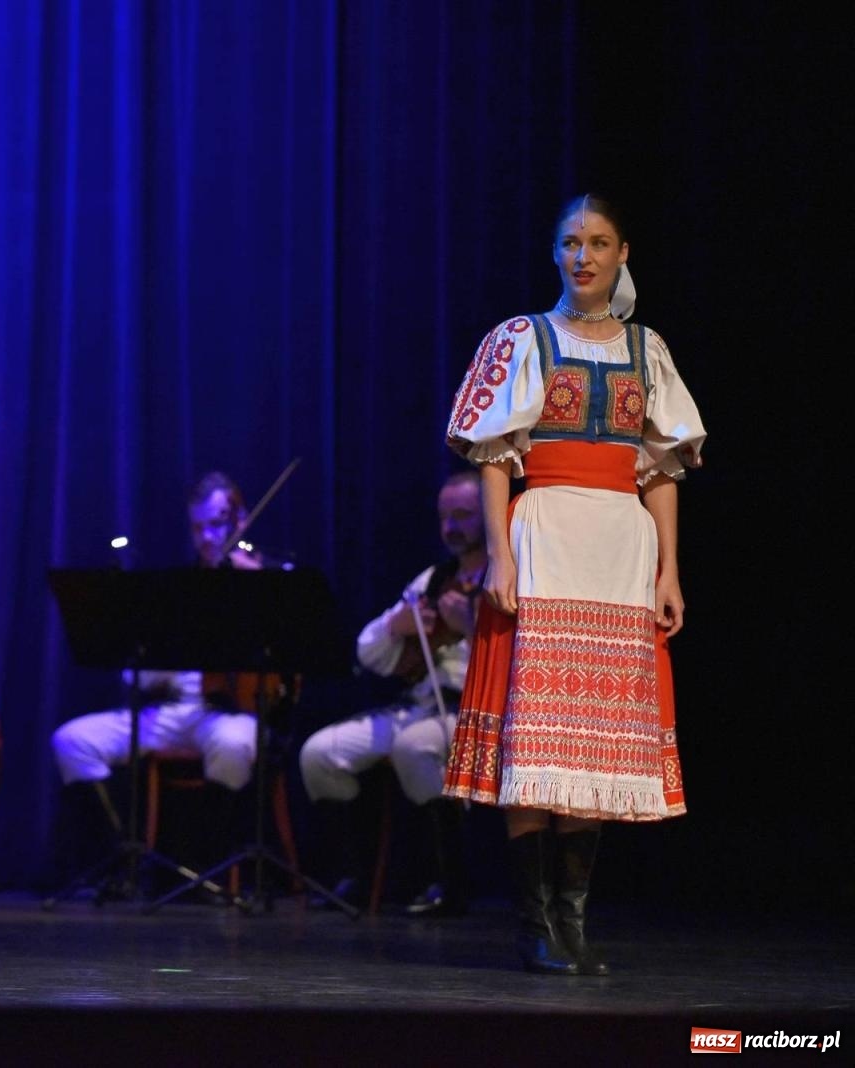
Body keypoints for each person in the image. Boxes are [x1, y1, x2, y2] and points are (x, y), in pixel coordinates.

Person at [442, 194, 705, 975]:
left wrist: (669, 568)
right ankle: (535, 926)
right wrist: (500, 554)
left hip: (618, 545)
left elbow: (661, 469)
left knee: (594, 737)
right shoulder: (523, 338)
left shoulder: (647, 349)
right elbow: (496, 457)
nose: (583, 256)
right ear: (555, 253)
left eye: (598, 242)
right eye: (570, 242)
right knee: (536, 730)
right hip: (546, 533)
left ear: (623, 253)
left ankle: (574, 924)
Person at [49, 472, 261, 878]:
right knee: (72, 741)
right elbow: (138, 678)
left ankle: (210, 870)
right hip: (169, 712)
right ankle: (127, 860)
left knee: (234, 745)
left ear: (241, 521)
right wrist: (155, 656)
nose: (208, 537)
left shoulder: (263, 581)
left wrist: (253, 591)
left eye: (217, 524)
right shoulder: (178, 588)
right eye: (198, 527)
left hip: (227, 713)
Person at [296, 469, 484, 915]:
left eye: (463, 515)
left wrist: (471, 627)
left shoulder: (505, 577)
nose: (451, 527)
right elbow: (369, 652)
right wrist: (395, 626)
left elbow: (524, 659)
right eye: (445, 517)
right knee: (319, 754)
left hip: (475, 710)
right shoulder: (433, 580)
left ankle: (448, 881)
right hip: (418, 706)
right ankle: (360, 877)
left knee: (414, 747)